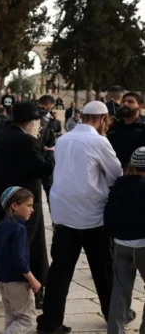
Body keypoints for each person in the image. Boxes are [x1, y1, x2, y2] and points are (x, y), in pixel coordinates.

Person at [37, 101, 130, 334]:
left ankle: (50, 321)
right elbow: (115, 174)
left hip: (63, 213)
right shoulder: (99, 141)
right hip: (92, 215)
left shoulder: (64, 139)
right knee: (103, 269)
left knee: (60, 269)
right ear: (103, 118)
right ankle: (113, 314)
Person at [0, 102, 53, 310]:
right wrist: (50, 153)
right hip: (23, 205)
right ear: (31, 122)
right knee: (34, 248)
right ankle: (41, 294)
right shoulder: (27, 141)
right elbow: (42, 169)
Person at [104, 147, 145, 333]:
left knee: (120, 291)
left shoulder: (120, 183)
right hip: (143, 245)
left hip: (121, 244)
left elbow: (109, 214)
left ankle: (115, 330)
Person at [0, 187, 42, 334]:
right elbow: (19, 259)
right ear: (14, 206)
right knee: (26, 320)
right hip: (17, 282)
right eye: (28, 205)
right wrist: (33, 279)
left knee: (11, 318)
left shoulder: (1, 226)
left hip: (3, 280)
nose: (32, 210)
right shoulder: (19, 229)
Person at [107, 92, 145, 169]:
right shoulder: (113, 126)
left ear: (140, 106)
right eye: (123, 101)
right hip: (114, 172)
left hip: (135, 173)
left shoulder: (143, 128)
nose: (125, 104)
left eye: (130, 102)